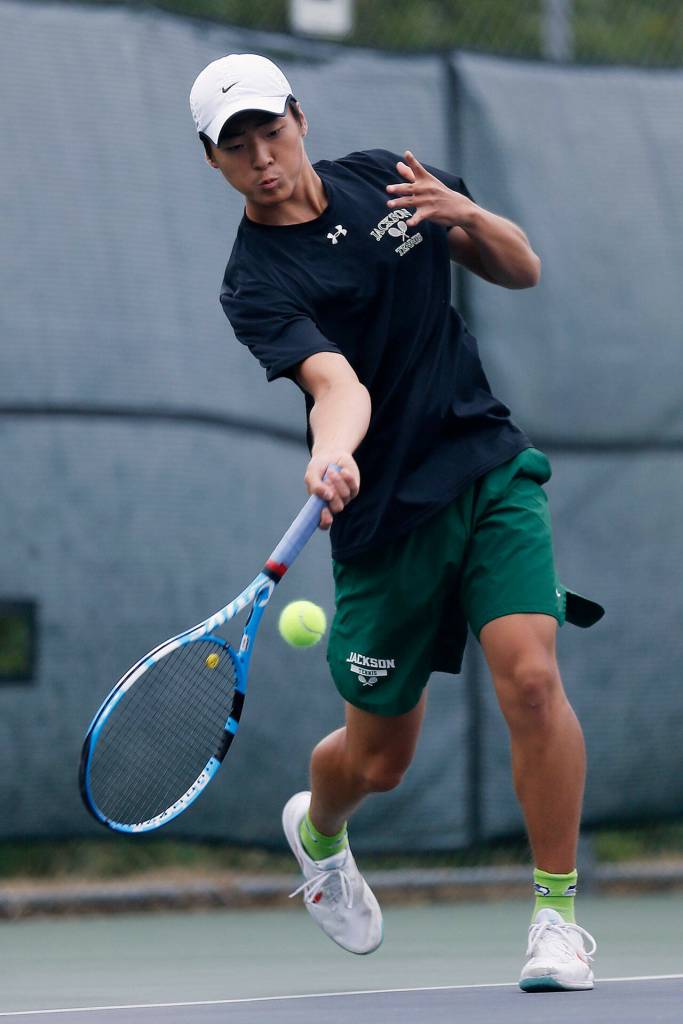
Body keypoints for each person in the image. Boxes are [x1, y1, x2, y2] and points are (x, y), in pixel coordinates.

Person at [189, 52, 602, 991]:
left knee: (532, 679)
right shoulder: (253, 282)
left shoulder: (386, 177)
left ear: (300, 117)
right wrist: (331, 449)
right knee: (377, 763)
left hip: (487, 469)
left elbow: (520, 267)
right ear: (212, 163)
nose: (263, 158)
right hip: (383, 520)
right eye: (237, 147)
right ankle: (318, 828)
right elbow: (336, 384)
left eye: (272, 131)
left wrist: (466, 215)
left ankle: (555, 917)